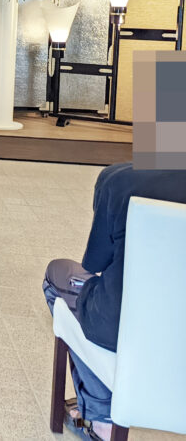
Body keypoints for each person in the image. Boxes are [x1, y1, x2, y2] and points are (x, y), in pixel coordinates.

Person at [43, 162, 186, 440]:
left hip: (124, 326)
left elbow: (95, 264)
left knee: (56, 276)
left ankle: (103, 419)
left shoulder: (121, 179)